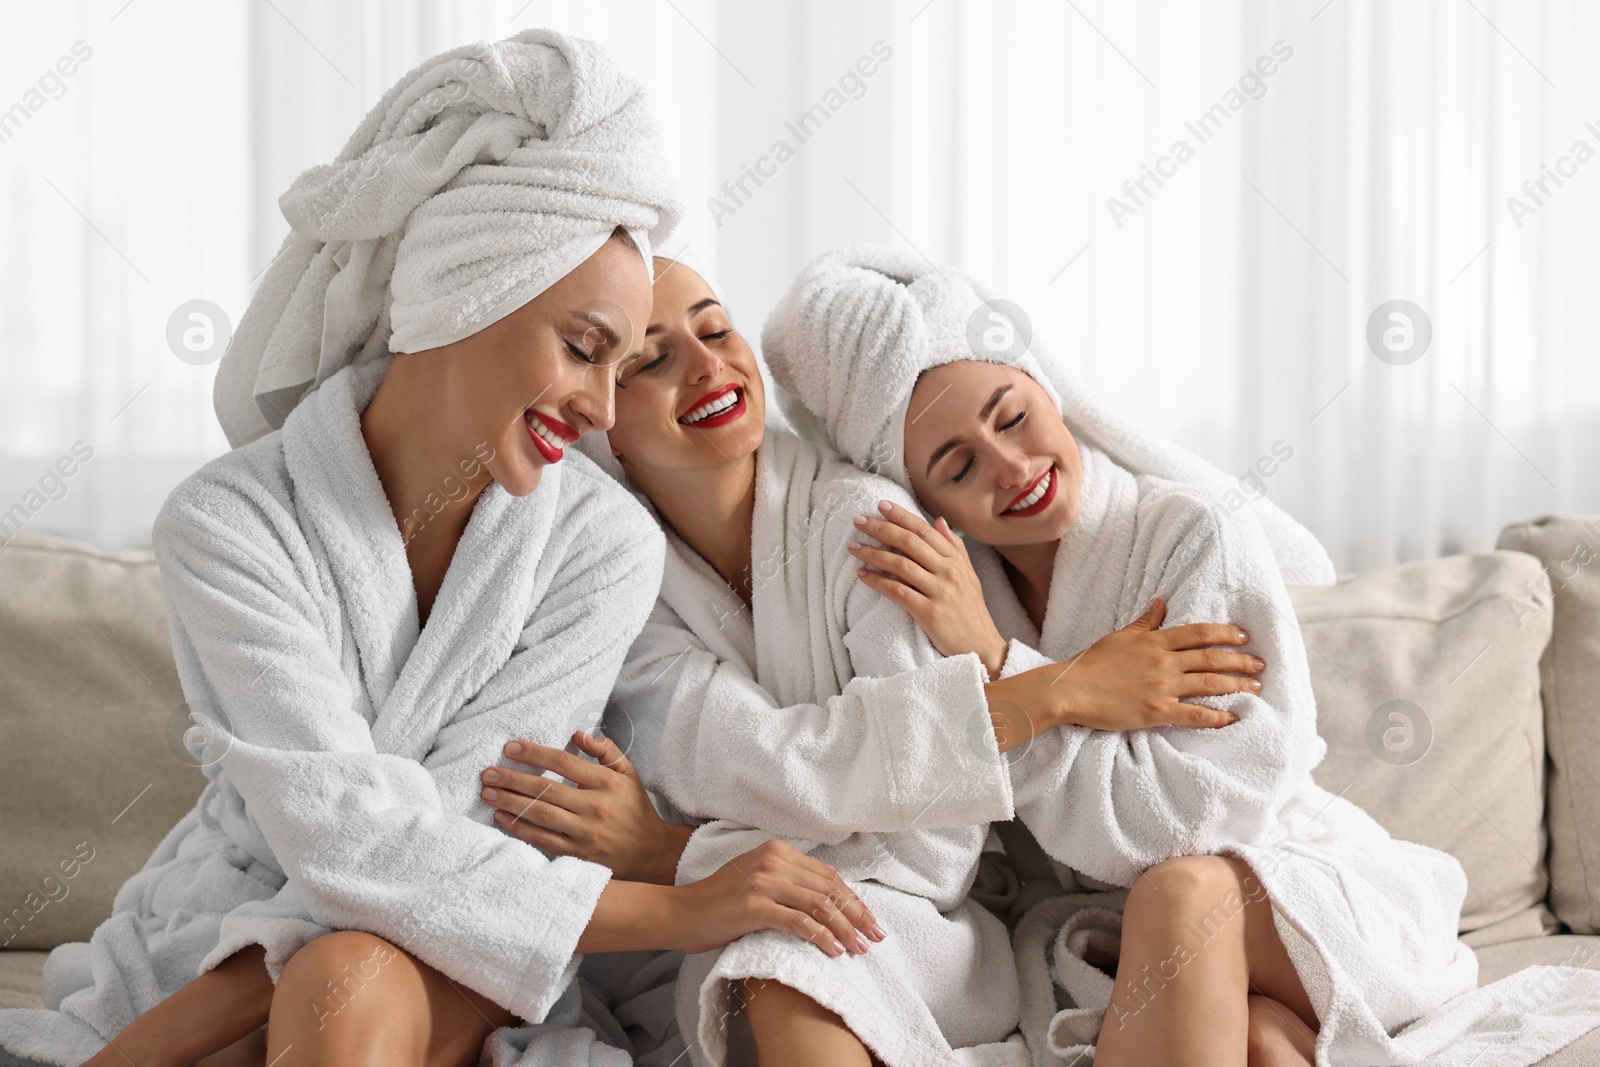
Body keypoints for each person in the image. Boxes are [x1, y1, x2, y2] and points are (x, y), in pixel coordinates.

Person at [0, 34, 874, 1067]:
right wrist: (669, 911)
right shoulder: (229, 523)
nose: (598, 409)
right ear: (471, 293)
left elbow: (475, 816)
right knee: (340, 970)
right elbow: (340, 838)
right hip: (253, 925)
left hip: (471, 949)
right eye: (587, 348)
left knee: (343, 977)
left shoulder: (598, 544)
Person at [758, 243, 1600, 1067]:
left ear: (1044, 385)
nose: (1013, 466)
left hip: (1306, 894)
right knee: (1261, 1042)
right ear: (926, 500)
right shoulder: (948, 593)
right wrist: (1065, 687)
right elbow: (932, 798)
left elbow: (1191, 821)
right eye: (957, 465)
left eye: (1012, 414)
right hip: (1132, 940)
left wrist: (1002, 665)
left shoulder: (1192, 536)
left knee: (1181, 889)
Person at [478, 251, 1272, 1067]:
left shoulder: (869, 525)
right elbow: (725, 758)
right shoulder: (627, 586)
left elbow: (930, 846)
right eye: (654, 359)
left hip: (918, 924)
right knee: (770, 954)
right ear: (601, 412)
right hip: (727, 925)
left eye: (716, 328)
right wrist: (1036, 698)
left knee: (789, 959)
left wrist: (683, 854)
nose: (709, 364)